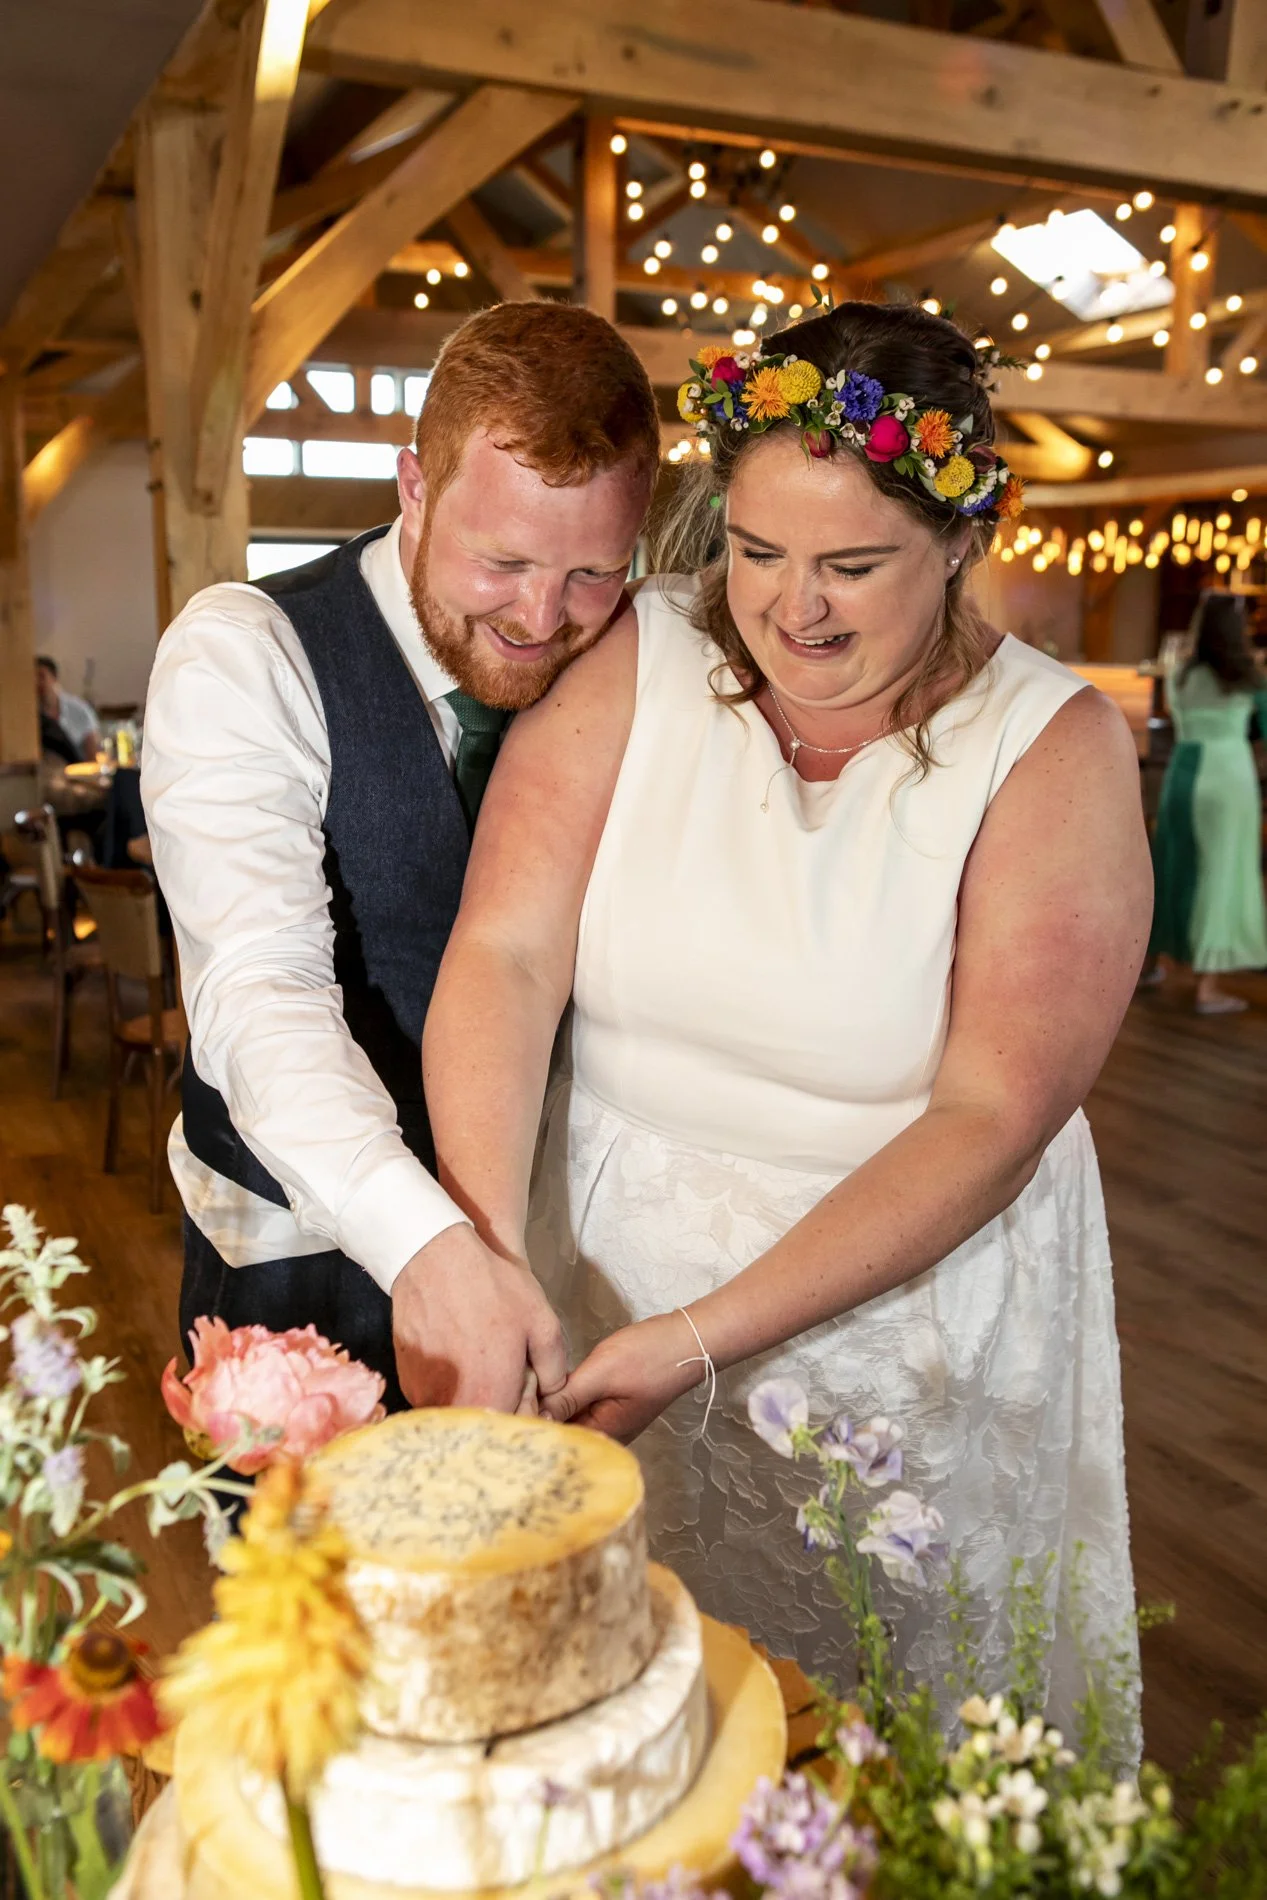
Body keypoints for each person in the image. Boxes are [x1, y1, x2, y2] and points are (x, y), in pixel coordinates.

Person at [423, 302, 1151, 1731]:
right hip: (596, 1282)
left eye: (851, 566)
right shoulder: (641, 651)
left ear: (960, 539)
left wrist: (698, 1337)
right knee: (632, 1722)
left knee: (881, 1727)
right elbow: (506, 950)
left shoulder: (1050, 748)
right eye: (756, 552)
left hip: (893, 1329)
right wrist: (489, 1254)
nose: (792, 609)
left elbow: (991, 1115)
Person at [141, 302, 659, 1413]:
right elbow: (259, 987)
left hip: (569, 1254)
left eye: (592, 572)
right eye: (502, 559)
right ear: (413, 487)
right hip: (310, 1256)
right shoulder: (245, 654)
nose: (541, 617)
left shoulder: (632, 663)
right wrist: (419, 1237)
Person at [1145, 591, 1267, 1013]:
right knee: (1222, 871)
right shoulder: (1248, 677)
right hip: (1228, 775)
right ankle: (1207, 988)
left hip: (1183, 771)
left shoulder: (1180, 673)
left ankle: (1153, 964)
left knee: (1171, 865)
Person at [36, 656, 100, 762]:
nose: (37, 682)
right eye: (33, 677)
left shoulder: (79, 709)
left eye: (41, 676)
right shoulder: (31, 715)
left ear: (54, 677)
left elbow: (92, 752)